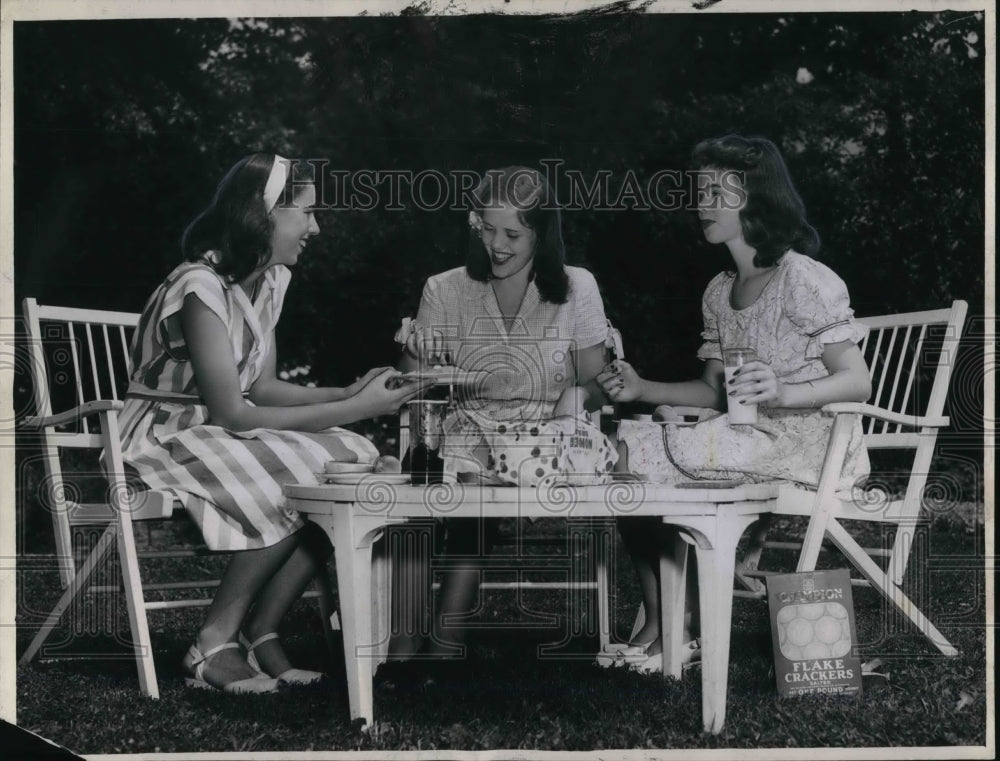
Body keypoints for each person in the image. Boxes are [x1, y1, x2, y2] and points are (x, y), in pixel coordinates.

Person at [119, 153, 427, 693]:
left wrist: (350, 392)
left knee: (355, 457)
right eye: (306, 212)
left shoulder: (268, 281)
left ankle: (261, 631)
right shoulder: (199, 286)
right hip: (165, 434)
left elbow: (262, 388)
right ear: (262, 216)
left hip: (217, 431)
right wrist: (361, 408)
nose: (316, 227)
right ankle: (213, 642)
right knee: (307, 472)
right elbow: (232, 411)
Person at [595, 135, 872, 673]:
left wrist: (785, 392)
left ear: (758, 199)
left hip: (809, 442)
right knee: (619, 448)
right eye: (700, 192)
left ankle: (677, 626)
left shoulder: (802, 279)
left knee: (639, 454)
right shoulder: (719, 291)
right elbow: (713, 391)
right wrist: (643, 388)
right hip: (744, 435)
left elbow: (857, 381)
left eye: (717, 193)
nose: (703, 204)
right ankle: (666, 620)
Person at [391, 165, 613, 664]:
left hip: (545, 438)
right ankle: (404, 639)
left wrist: (574, 403)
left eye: (512, 234)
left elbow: (595, 380)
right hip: (465, 429)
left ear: (541, 232)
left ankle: (442, 644)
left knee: (474, 485)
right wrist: (416, 354)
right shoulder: (444, 288)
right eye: (487, 229)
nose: (496, 244)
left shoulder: (577, 287)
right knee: (423, 478)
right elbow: (407, 385)